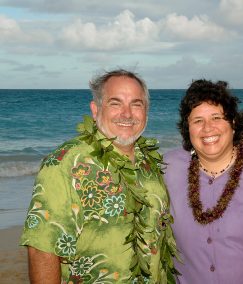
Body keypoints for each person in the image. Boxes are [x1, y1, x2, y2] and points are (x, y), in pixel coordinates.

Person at [20, 69, 178, 283]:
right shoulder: (65, 163)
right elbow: (42, 249)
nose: (127, 113)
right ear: (95, 110)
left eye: (136, 104)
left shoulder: (150, 163)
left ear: (146, 111)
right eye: (115, 103)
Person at [163, 79, 243, 283]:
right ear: (188, 129)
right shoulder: (167, 169)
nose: (207, 128)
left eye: (216, 117)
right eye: (197, 121)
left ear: (233, 122)